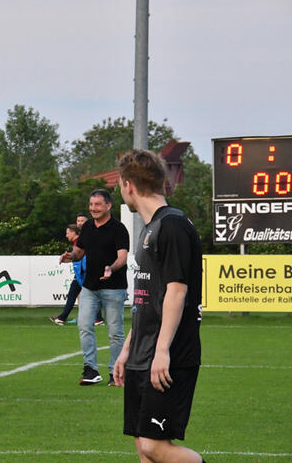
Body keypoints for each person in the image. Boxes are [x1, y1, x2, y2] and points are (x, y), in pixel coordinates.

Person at [113, 150, 204, 462]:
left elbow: (177, 292)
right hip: (143, 353)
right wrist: (127, 349)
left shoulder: (172, 226)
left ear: (128, 186)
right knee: (144, 448)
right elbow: (147, 300)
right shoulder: (150, 228)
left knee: (155, 446)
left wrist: (162, 350)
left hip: (169, 354)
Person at [61, 189, 129, 386]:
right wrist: (70, 256)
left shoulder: (119, 228)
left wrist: (111, 268)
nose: (93, 208)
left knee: (115, 332)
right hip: (90, 287)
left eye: (98, 204)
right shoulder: (88, 227)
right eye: (91, 205)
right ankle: (91, 370)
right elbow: (79, 252)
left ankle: (115, 373)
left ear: (108, 206)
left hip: (114, 287)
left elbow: (122, 257)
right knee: (84, 326)